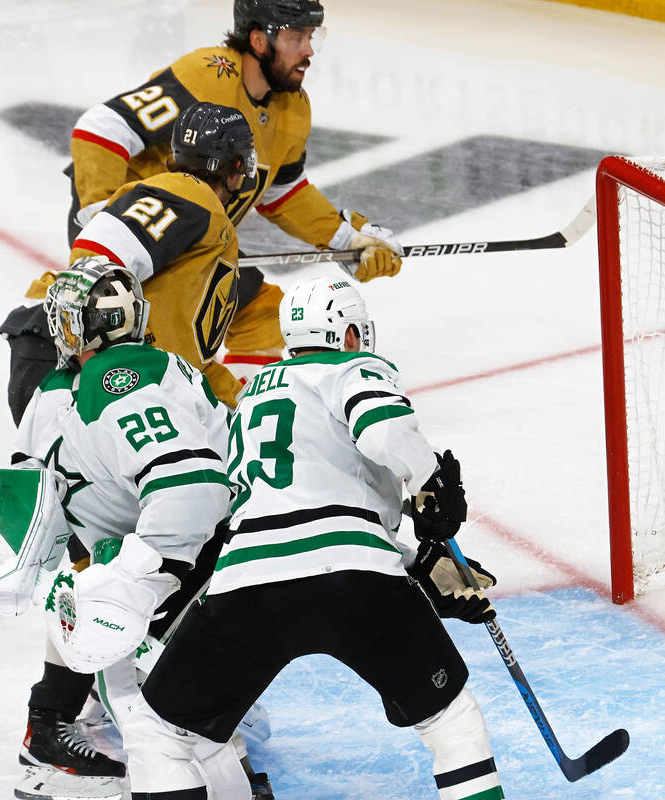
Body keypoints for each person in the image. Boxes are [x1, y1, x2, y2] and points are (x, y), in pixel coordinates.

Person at [118, 277, 506, 799]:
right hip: (355, 581)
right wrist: (430, 480)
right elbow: (384, 433)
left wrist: (416, 562)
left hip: (247, 585)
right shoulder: (353, 368)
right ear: (348, 333)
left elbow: (284, 501)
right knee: (450, 722)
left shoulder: (250, 397)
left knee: (159, 733)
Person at [0, 0, 405, 425]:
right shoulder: (208, 75)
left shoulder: (292, 108)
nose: (308, 50)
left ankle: (244, 425)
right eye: (295, 36)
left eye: (311, 36)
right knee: (151, 338)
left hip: (201, 239)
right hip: (144, 232)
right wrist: (103, 211)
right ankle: (102, 417)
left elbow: (282, 192)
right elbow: (101, 128)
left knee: (260, 312)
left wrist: (345, 239)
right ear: (258, 39)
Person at [13, 259, 271, 800]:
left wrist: (145, 579)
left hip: (192, 556)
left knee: (202, 711)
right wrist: (7, 545)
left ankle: (168, 739)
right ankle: (58, 721)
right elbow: (32, 493)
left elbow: (190, 489)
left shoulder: (123, 380)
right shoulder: (58, 389)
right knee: (83, 596)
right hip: (148, 553)